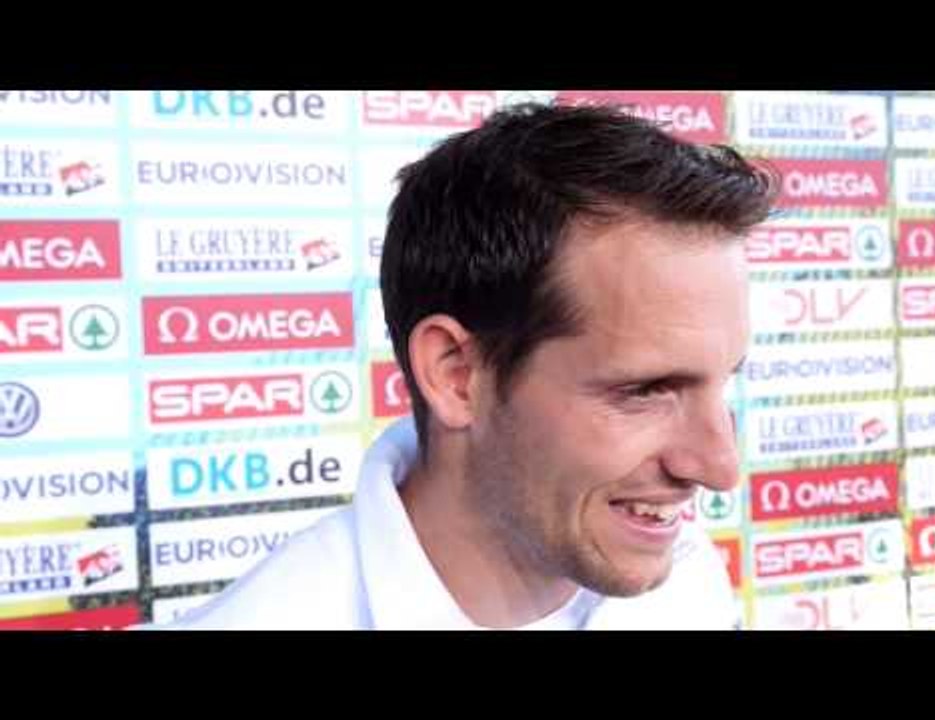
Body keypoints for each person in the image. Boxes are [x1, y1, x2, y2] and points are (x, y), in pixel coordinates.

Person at [157, 100, 778, 630]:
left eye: (723, 383)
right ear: (456, 374)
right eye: (646, 391)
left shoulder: (684, 582)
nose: (720, 466)